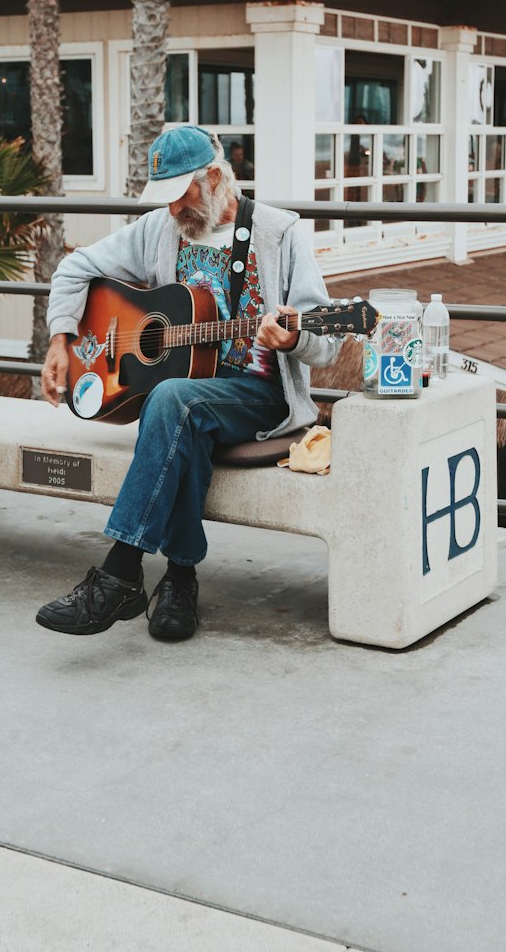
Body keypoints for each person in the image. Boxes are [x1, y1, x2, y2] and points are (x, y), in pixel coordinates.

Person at [36, 124, 341, 642]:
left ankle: (121, 572)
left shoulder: (279, 233)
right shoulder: (161, 228)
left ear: (216, 178)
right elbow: (74, 267)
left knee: (172, 399)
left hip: (257, 397)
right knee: (179, 408)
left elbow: (326, 340)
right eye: (166, 200)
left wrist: (290, 341)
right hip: (186, 399)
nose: (173, 211)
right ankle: (179, 579)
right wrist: (61, 337)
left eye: (181, 196)